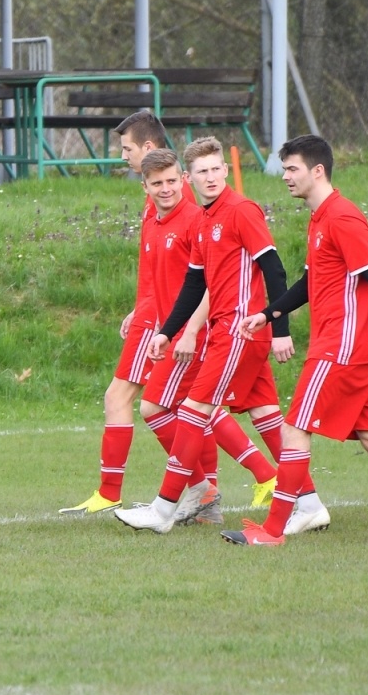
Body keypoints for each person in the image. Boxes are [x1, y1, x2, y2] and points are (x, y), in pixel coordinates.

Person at [220, 135, 368, 546]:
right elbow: (311, 282)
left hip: (340, 348)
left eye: (292, 169)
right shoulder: (320, 217)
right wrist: (269, 314)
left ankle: (272, 532)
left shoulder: (342, 217)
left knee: (294, 430)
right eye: (284, 168)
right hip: (349, 349)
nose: (285, 176)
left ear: (317, 170)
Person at [116, 137, 307, 534]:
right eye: (201, 171)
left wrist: (278, 328)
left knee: (190, 411)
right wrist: (167, 331)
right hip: (223, 331)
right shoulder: (204, 218)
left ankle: (168, 507)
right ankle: (307, 501)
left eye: (215, 169)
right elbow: (194, 283)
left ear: (224, 169)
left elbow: (274, 270)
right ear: (193, 177)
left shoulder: (239, 210)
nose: (209, 177)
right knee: (267, 416)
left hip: (238, 331)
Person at [62, 122, 241, 520]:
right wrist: (142, 309)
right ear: (147, 187)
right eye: (156, 183)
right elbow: (157, 275)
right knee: (188, 410)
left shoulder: (195, 218)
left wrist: (191, 330)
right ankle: (209, 493)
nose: (123, 157)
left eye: (126, 149)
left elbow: (215, 281)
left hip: (192, 333)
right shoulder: (153, 217)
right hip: (164, 328)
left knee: (168, 408)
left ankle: (204, 492)